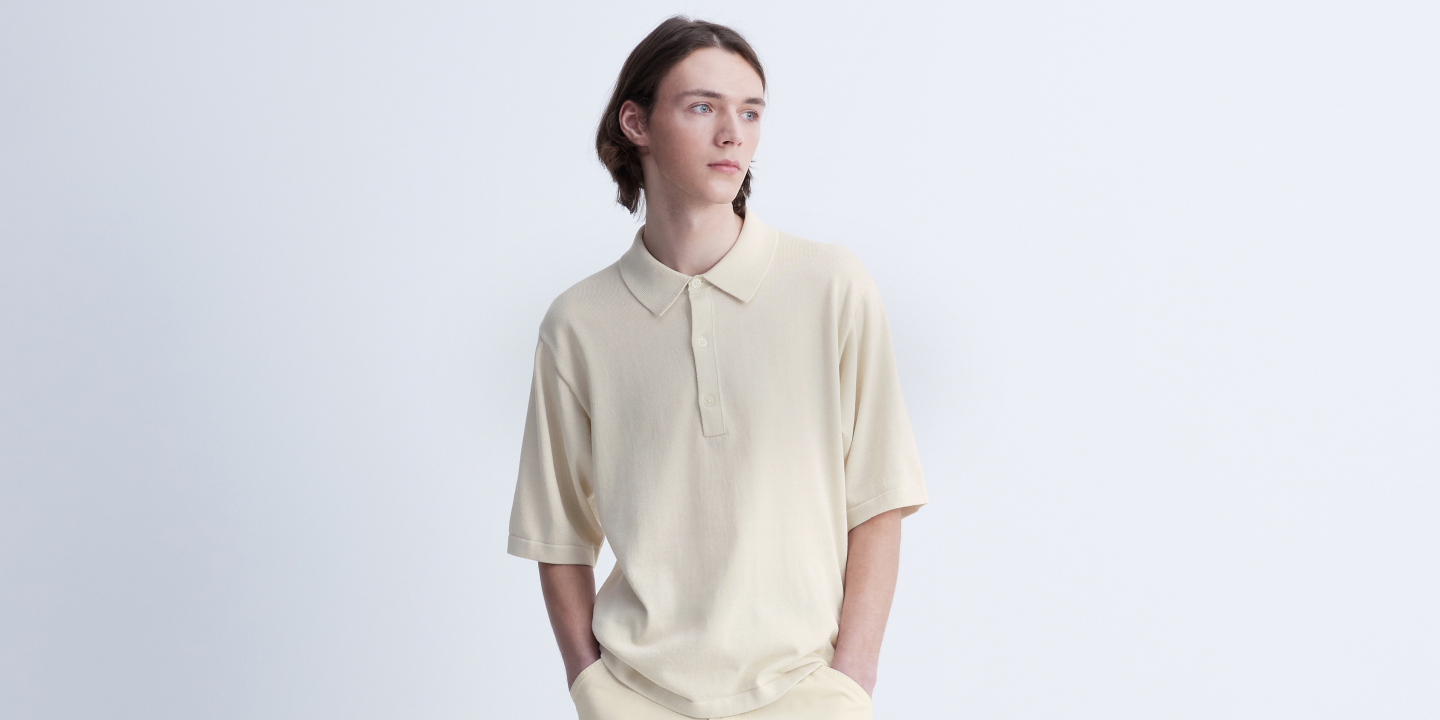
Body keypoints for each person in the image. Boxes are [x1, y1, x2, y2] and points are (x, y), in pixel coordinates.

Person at [505, 15, 929, 720]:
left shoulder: (831, 286)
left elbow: (880, 496)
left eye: (751, 111)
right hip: (637, 697)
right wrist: (590, 686)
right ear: (636, 123)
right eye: (703, 107)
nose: (733, 133)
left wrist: (850, 680)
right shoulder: (578, 322)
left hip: (808, 693)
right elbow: (557, 532)